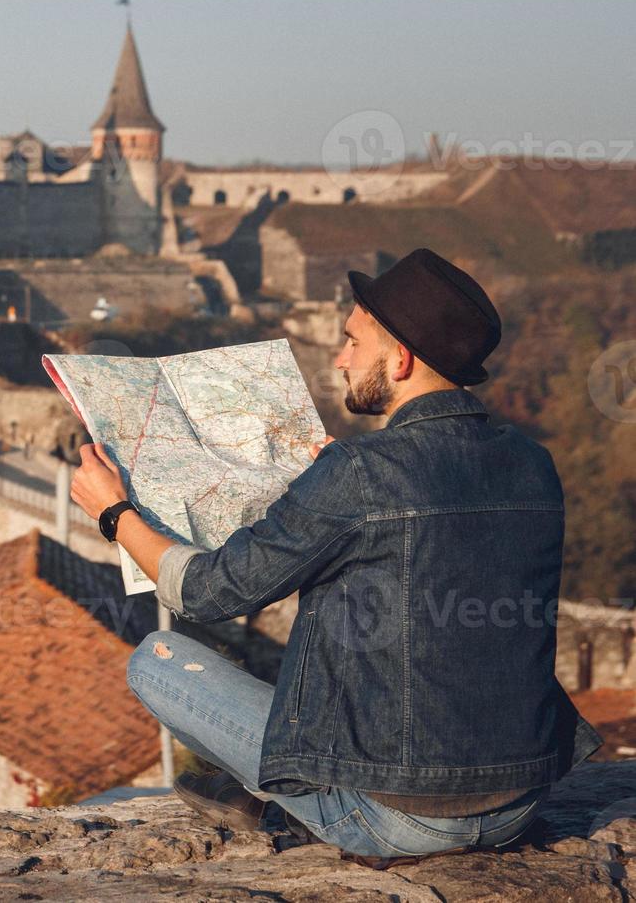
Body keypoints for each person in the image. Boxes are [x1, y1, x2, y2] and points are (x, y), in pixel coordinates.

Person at [69, 247, 603, 866]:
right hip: (520, 801)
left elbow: (210, 595)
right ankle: (282, 800)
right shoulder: (533, 465)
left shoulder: (360, 474)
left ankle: (298, 804)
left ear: (400, 358)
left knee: (154, 661)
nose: (341, 358)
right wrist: (329, 493)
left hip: (398, 819)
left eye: (353, 342)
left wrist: (115, 515)